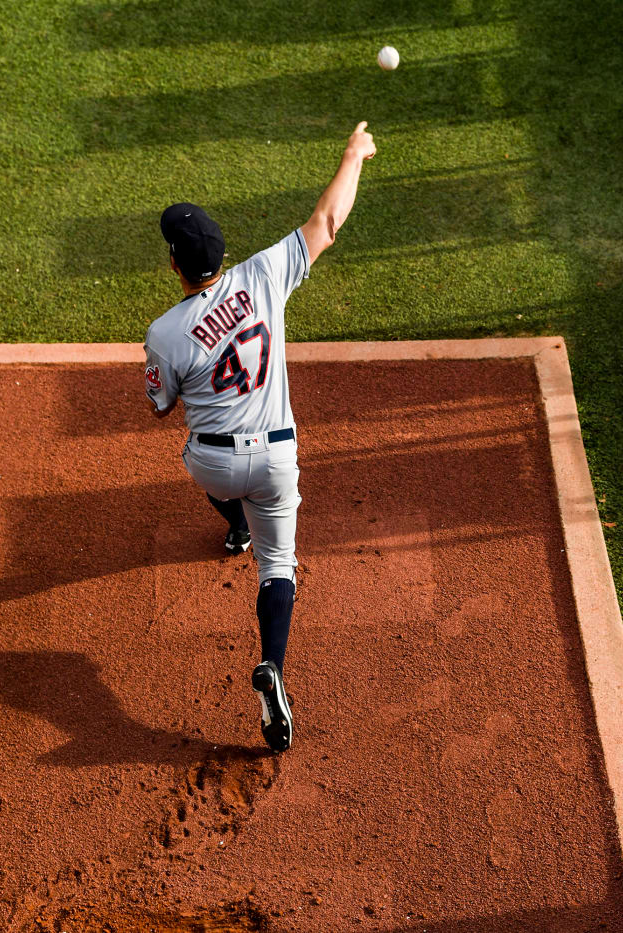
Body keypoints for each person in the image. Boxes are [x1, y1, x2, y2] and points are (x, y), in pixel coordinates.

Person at [144, 122, 376, 753]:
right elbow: (328, 221)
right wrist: (353, 152)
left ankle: (234, 522)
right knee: (279, 567)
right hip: (277, 459)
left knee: (193, 455)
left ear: (175, 264)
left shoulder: (164, 332)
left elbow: (161, 407)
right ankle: (272, 665)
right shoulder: (264, 273)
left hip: (215, 466)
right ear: (223, 253)